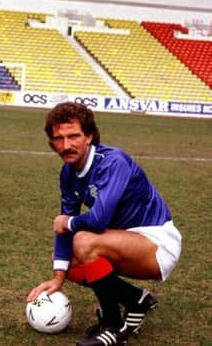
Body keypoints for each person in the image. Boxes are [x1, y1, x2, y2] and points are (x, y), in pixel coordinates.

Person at [27, 102, 181, 346]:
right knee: (71, 264)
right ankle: (136, 300)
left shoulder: (113, 161)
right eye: (59, 138)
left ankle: (113, 325)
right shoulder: (68, 173)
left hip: (157, 242)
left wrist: (68, 222)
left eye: (74, 136)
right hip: (123, 239)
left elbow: (97, 220)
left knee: (83, 240)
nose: (66, 145)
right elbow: (64, 230)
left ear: (89, 136)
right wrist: (58, 278)